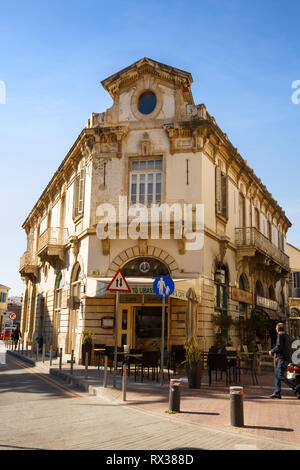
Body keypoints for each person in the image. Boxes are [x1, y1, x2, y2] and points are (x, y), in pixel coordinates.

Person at [269, 323, 300, 399]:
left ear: (277, 329)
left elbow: (279, 346)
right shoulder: (287, 335)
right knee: (277, 375)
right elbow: (285, 348)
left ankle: (296, 387)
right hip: (286, 358)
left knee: (280, 376)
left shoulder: (280, 335)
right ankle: (277, 392)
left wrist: (272, 351)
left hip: (282, 359)